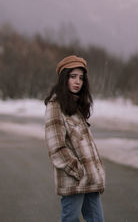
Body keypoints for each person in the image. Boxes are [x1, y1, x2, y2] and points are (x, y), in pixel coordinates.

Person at [44, 55, 105, 222]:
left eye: (81, 78)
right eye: (73, 77)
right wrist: (79, 171)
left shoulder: (77, 107)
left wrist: (90, 173)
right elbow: (56, 149)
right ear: (64, 78)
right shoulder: (55, 106)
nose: (78, 81)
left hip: (90, 180)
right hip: (74, 180)